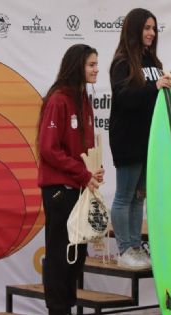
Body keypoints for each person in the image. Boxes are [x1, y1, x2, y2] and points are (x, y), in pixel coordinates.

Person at [37, 43, 104, 315]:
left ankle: (66, 307)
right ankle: (57, 309)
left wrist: (93, 170)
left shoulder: (83, 98)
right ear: (77, 66)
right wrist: (82, 172)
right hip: (59, 191)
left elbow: (83, 148)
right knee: (59, 254)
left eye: (97, 64)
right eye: (91, 64)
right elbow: (48, 149)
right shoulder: (58, 100)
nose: (96, 69)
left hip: (79, 188)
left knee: (76, 256)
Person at [109, 7, 171, 269]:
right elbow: (123, 97)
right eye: (146, 28)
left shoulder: (154, 63)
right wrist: (153, 87)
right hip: (128, 138)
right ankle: (124, 248)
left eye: (154, 28)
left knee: (139, 196)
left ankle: (136, 245)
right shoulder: (122, 62)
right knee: (124, 195)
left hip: (150, 139)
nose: (151, 33)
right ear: (135, 29)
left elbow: (155, 98)